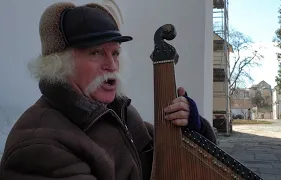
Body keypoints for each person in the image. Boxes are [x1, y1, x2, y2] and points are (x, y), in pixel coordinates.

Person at [0, 2, 216, 180]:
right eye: (96, 53)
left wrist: (190, 125)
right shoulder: (39, 146)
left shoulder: (119, 111)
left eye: (115, 53)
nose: (112, 66)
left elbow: (172, 157)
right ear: (60, 66)